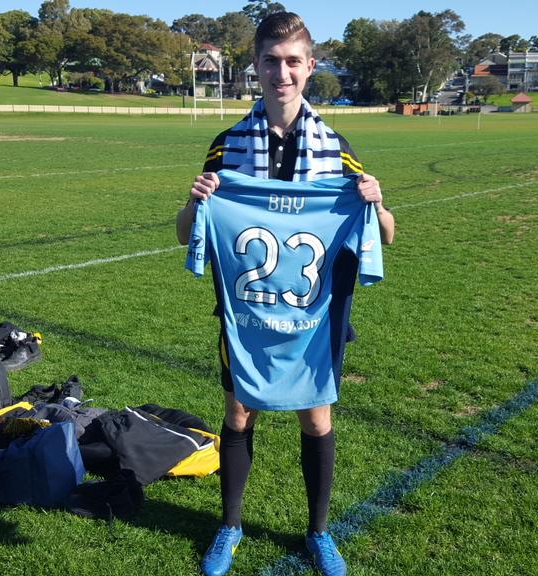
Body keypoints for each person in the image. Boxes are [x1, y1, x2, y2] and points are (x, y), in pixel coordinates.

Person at [176, 12, 394, 576]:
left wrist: (375, 202)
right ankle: (230, 526)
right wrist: (196, 202)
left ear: (310, 66)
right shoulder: (227, 146)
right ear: (255, 65)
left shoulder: (336, 146)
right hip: (246, 311)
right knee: (238, 411)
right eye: (271, 61)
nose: (282, 73)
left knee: (316, 419)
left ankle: (319, 532)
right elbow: (184, 233)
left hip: (312, 313)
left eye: (293, 61)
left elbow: (387, 234)